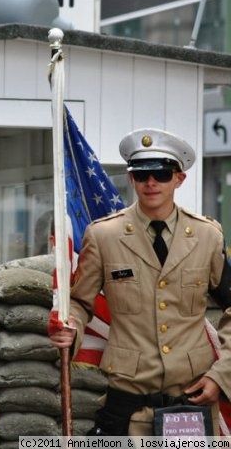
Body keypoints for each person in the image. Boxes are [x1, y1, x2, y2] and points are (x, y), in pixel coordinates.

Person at [48, 128, 231, 436]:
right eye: (141, 173)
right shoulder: (104, 236)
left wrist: (221, 375)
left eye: (161, 173)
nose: (151, 182)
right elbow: (80, 303)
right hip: (127, 405)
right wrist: (69, 327)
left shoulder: (207, 236)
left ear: (179, 179)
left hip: (192, 403)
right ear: (131, 178)